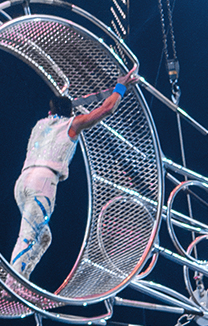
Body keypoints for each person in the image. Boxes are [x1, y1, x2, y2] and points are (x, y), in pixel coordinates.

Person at [10, 82, 126, 281]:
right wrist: (120, 88)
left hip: (22, 183)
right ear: (70, 114)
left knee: (43, 237)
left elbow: (56, 114)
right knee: (27, 235)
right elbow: (106, 108)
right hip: (43, 183)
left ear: (49, 112)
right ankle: (12, 283)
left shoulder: (39, 125)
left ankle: (23, 277)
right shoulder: (71, 124)